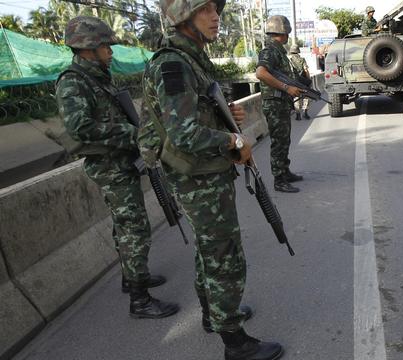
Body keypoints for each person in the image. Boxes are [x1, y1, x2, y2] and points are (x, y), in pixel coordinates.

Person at [141, 0, 283, 358]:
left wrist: (225, 116)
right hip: (197, 178)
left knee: (210, 252)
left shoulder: (192, 59)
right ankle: (234, 341)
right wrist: (234, 140)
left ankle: (213, 314)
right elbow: (184, 134)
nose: (215, 15)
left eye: (215, 8)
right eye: (204, 8)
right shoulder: (173, 63)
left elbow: (197, 112)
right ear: (182, 16)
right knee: (224, 256)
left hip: (205, 173)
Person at [55, 16, 178, 319]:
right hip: (110, 166)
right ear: (88, 48)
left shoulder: (97, 75)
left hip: (121, 161)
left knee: (123, 225)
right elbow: (79, 127)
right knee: (134, 228)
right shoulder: (73, 81)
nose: (110, 52)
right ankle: (140, 300)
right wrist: (134, 134)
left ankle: (130, 276)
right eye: (106, 46)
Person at [255, 15, 304, 193]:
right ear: (283, 31)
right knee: (279, 142)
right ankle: (279, 180)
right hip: (275, 105)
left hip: (280, 104)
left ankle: (285, 171)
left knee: (284, 140)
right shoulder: (270, 51)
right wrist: (286, 87)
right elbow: (260, 73)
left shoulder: (279, 51)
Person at [288, 44, 312, 120]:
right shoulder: (302, 59)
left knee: (296, 97)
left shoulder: (289, 60)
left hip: (294, 81)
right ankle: (305, 112)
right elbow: (306, 70)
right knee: (306, 96)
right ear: (298, 50)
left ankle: (298, 114)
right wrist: (308, 80)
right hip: (303, 81)